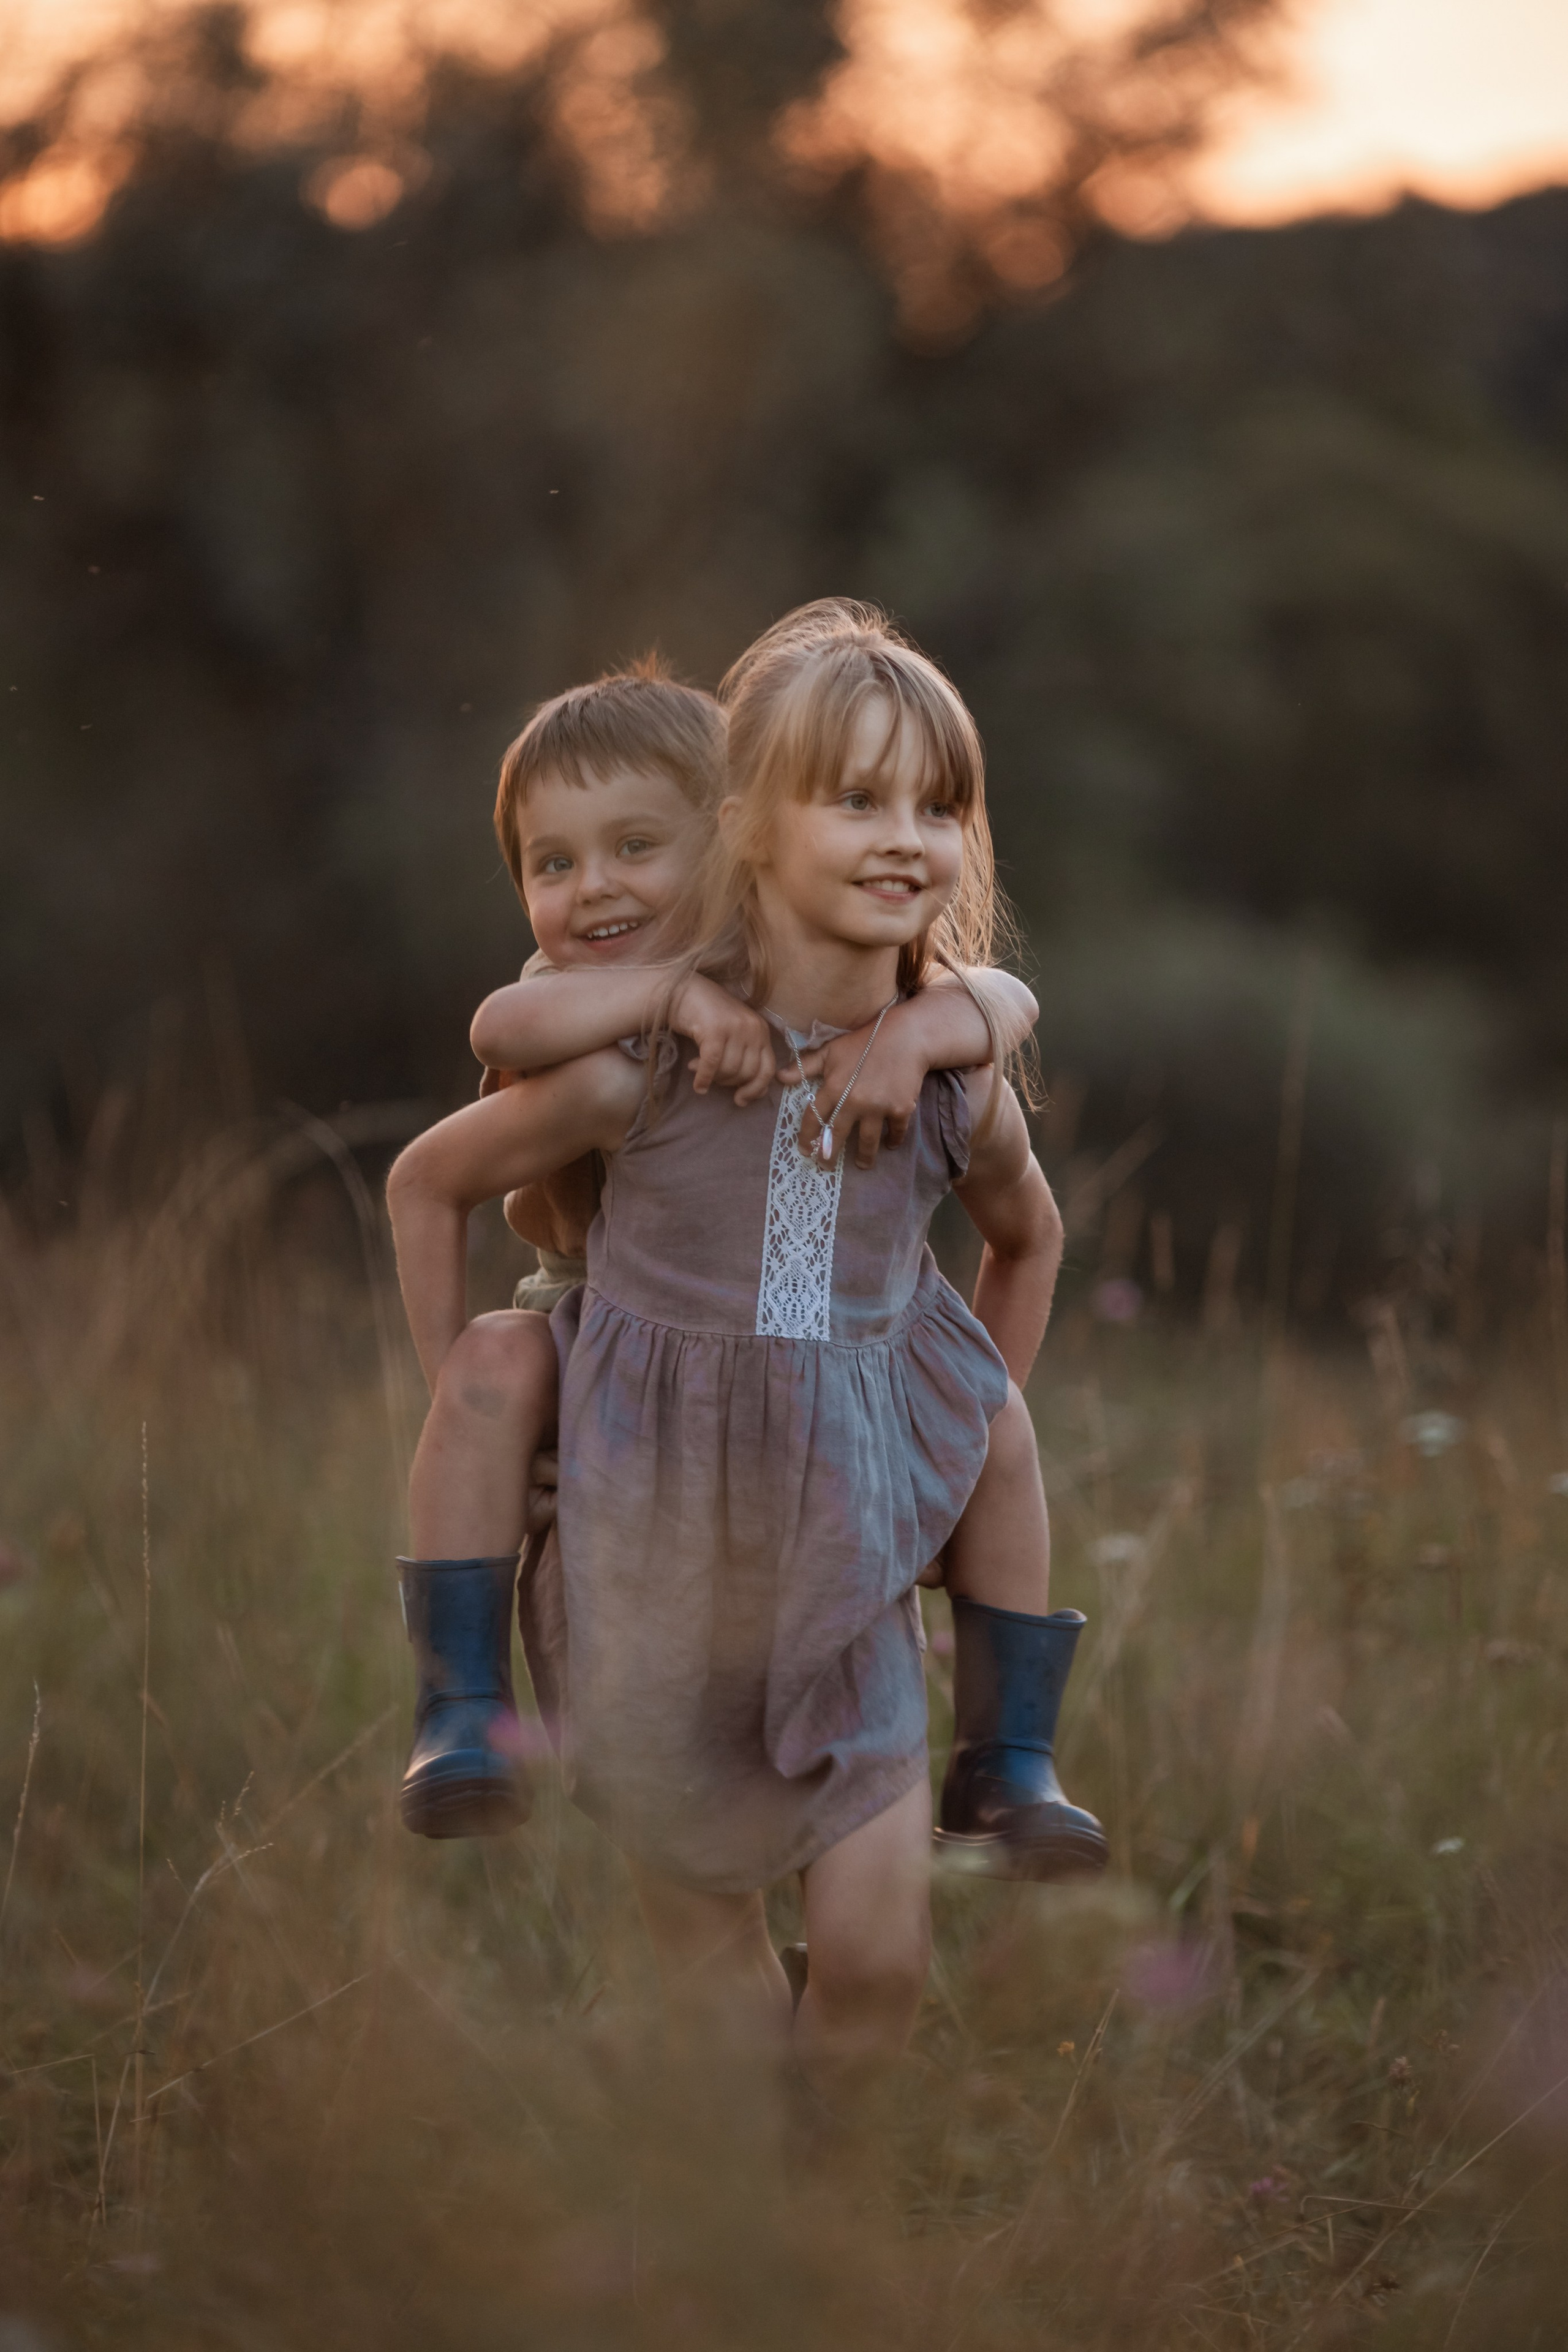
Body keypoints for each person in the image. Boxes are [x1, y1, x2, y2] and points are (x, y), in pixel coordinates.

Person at [388, 603, 1103, 2096]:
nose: (903, 837)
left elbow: (1027, 1225)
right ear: (748, 836)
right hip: (646, 1559)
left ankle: (1004, 1763)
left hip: (836, 1573)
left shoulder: (953, 1079)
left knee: (874, 1963)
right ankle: (761, 2262)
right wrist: (484, 1423)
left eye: (935, 807)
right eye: (854, 800)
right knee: (704, 1969)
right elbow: (467, 1101)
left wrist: (943, 1468)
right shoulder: (640, 1067)